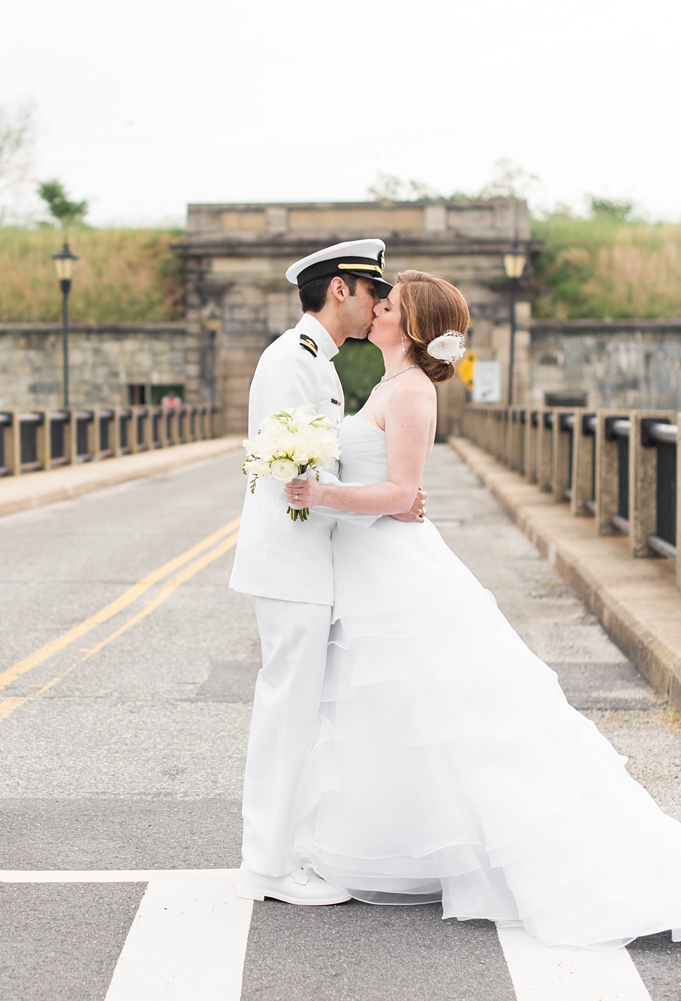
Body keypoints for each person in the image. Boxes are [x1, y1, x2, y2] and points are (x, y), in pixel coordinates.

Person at [281, 270, 681, 947]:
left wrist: (317, 494)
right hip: (373, 567)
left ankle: (520, 848)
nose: (375, 306)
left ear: (413, 324)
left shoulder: (414, 392)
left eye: (388, 303)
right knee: (398, 712)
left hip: (399, 570)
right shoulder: (388, 384)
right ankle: (406, 841)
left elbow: (400, 493)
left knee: (455, 715)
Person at [229, 239, 424, 905]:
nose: (377, 306)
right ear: (340, 288)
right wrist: (386, 506)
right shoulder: (296, 360)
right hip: (293, 561)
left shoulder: (318, 363)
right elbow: (298, 478)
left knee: (296, 710)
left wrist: (385, 496)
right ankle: (266, 865)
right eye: (372, 292)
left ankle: (280, 853)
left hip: (305, 561)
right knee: (286, 711)